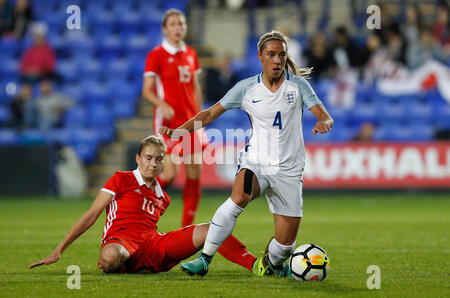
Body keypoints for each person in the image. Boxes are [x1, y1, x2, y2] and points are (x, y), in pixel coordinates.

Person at [159, 30, 334, 278]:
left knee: (285, 247)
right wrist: (179, 132)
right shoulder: (246, 88)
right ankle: (204, 258)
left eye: (281, 54)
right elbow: (209, 114)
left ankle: (270, 264)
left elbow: (325, 115)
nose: (277, 60)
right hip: (257, 161)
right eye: (271, 54)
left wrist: (324, 122)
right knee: (238, 197)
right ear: (260, 56)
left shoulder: (298, 86)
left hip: (288, 170)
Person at [28, 135, 256, 274]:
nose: (154, 164)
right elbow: (92, 214)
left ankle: (256, 265)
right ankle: (133, 265)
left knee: (213, 227)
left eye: (159, 159)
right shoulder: (121, 179)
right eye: (148, 158)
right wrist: (59, 250)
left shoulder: (162, 196)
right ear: (138, 158)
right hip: (120, 241)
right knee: (109, 257)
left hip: (154, 245)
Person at [141, 9, 207, 227]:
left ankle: (186, 226)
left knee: (194, 170)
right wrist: (162, 105)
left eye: (181, 23)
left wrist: (200, 117)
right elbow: (147, 90)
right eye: (173, 24)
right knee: (169, 171)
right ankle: (142, 205)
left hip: (191, 122)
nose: (178, 28)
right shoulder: (156, 55)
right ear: (165, 29)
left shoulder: (191, 54)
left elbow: (196, 88)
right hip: (167, 124)